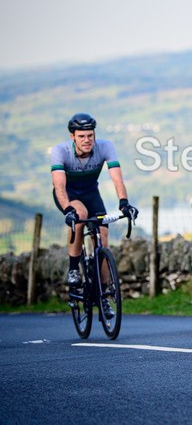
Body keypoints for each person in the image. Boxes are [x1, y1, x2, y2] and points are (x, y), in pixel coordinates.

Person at [51, 113, 139, 318]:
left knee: (103, 239)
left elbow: (117, 179)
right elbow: (59, 186)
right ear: (73, 136)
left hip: (91, 193)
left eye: (90, 135)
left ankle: (104, 296)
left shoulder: (105, 147)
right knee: (80, 214)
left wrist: (124, 203)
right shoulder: (60, 151)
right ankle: (74, 269)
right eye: (81, 136)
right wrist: (68, 210)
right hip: (69, 195)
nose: (87, 140)